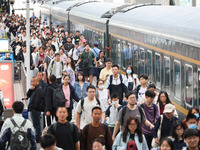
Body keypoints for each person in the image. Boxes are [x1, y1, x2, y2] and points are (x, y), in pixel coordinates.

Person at [27, 76, 45, 142]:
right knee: (35, 124)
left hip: (35, 110)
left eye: (33, 81)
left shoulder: (39, 89)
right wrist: (30, 89)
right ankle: (37, 137)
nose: (31, 83)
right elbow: (28, 95)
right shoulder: (33, 89)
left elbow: (38, 101)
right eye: (31, 81)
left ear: (37, 81)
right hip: (33, 109)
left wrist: (34, 108)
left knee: (36, 124)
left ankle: (38, 138)